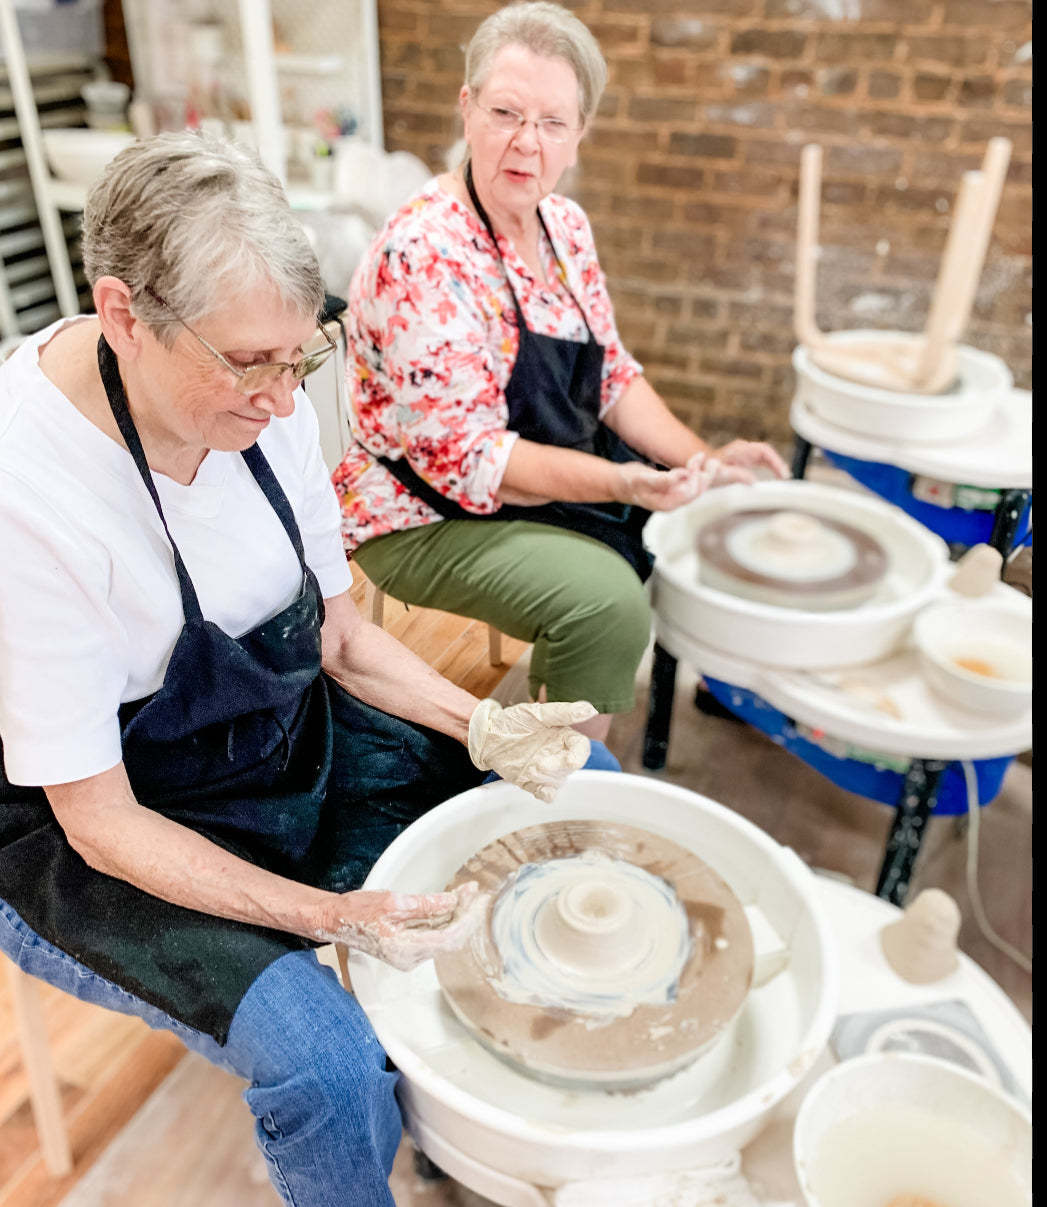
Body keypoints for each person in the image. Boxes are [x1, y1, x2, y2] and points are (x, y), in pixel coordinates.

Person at [0, 131, 602, 1207]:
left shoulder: (259, 392)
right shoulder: (28, 495)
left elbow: (338, 638)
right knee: (326, 1063)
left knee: (570, 790)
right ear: (125, 313)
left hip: (278, 745)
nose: (286, 406)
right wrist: (327, 919)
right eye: (249, 365)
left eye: (300, 358)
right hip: (101, 830)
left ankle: (452, 1121)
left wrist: (486, 726)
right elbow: (96, 820)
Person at [334, 1, 789, 743]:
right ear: (467, 109)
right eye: (505, 112)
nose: (525, 143)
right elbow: (472, 463)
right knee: (607, 601)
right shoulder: (427, 252)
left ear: (579, 135)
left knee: (686, 520)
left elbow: (609, 375)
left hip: (521, 465)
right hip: (419, 512)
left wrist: (701, 461)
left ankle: (595, 728)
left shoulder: (564, 226)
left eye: (552, 122)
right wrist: (621, 480)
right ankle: (557, 798)